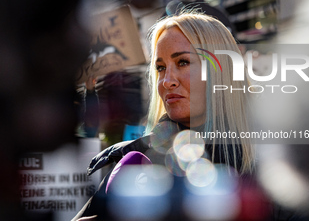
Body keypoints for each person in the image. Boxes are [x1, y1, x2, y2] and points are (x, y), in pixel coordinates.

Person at [73, 11, 255, 220]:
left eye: (183, 62)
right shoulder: (133, 161)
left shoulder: (276, 167)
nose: (166, 81)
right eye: (160, 68)